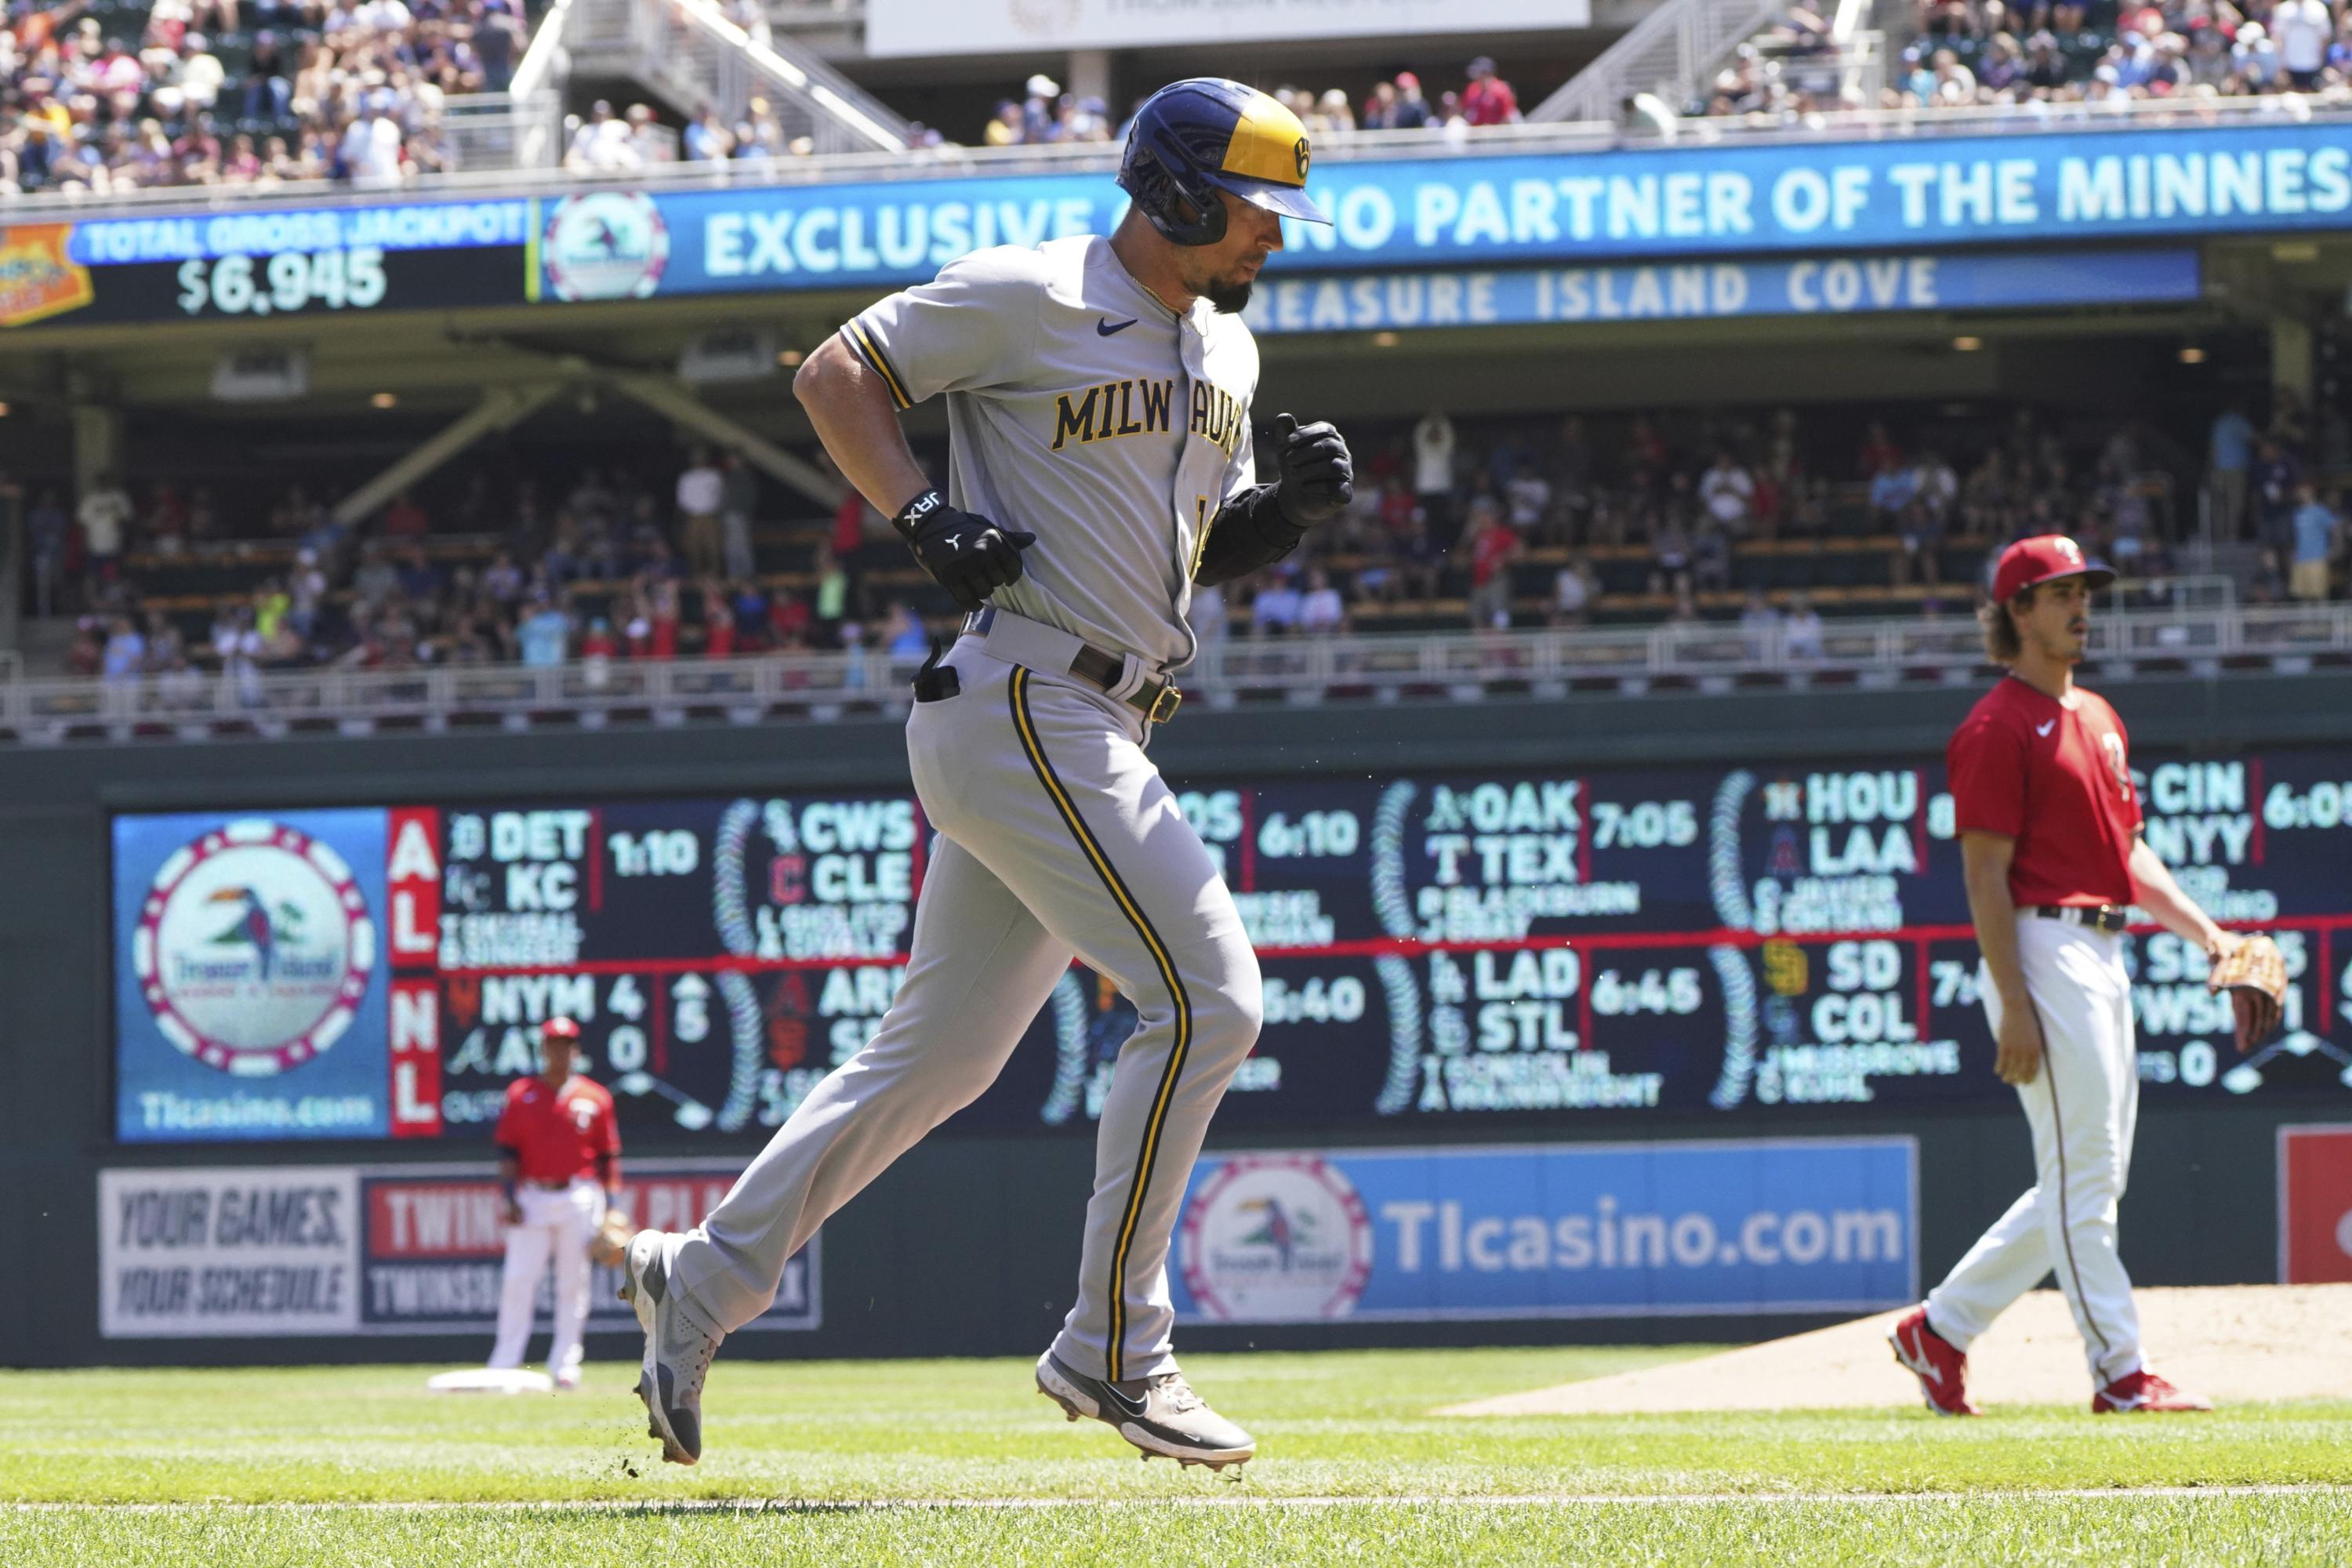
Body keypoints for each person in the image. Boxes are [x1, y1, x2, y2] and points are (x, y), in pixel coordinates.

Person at [619, 78, 1350, 1474]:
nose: (1279, 233)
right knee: (1208, 1001)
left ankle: (701, 1280)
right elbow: (837, 372)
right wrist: (923, 513)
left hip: (1094, 711)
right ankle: (1117, 1348)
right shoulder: (1032, 289)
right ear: (1184, 192)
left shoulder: (1230, 354)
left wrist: (1280, 519)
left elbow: (1188, 559)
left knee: (936, 1059)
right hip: (1028, 694)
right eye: (1260, 204)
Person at [1891, 534, 2235, 1418]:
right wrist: (2012, 999)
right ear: (2017, 610)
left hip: (2103, 946)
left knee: (2089, 1178)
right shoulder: (1996, 725)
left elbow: (2126, 853)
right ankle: (2120, 1372)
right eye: (2060, 592)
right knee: (2086, 1176)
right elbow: (1983, 874)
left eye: (2085, 589)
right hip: (2041, 948)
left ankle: (1943, 1327)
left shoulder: (2099, 717)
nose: (2081, 605)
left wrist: (2208, 932)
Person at [488, 1018, 620, 1391]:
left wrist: (612, 1207)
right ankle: (506, 1361)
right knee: (518, 1280)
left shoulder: (595, 1097)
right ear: (543, 1048)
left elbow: (608, 1157)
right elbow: (508, 1152)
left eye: (567, 1044)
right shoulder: (521, 1093)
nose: (560, 1051)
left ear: (575, 1050)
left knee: (572, 1283)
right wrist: (509, 1197)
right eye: (554, 1044)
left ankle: (565, 1363)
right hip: (533, 1195)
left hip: (578, 1194)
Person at [676, 447, 725, 579]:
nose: (699, 460)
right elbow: (682, 499)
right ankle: (696, 576)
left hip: (711, 515)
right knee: (694, 547)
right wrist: (692, 510)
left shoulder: (714, 475)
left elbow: (720, 495)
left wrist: (714, 510)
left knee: (713, 546)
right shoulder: (686, 477)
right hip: (693, 516)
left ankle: (715, 576)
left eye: (701, 457)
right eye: (696, 457)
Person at [2288, 483, 2339, 602]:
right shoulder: (2297, 513)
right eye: (2300, 491)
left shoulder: (2320, 511)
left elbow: (2335, 527)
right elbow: (2295, 536)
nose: (2302, 494)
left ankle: (2323, 620)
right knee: (2303, 596)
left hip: (2317, 557)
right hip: (2300, 559)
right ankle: (2306, 621)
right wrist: (2293, 552)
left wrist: (2335, 547)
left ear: (2311, 492)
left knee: (2320, 594)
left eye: (2304, 491)